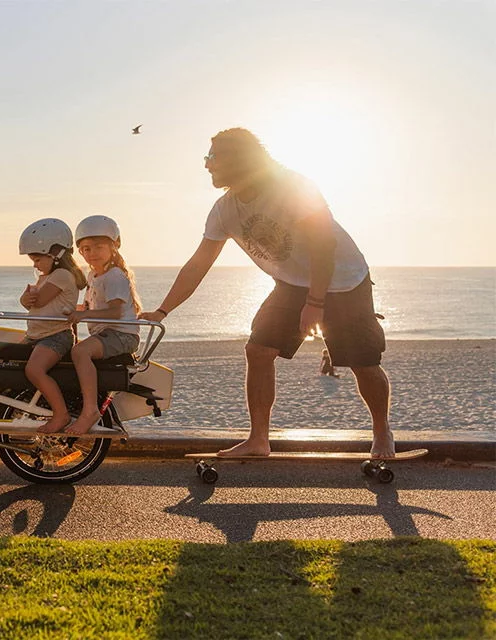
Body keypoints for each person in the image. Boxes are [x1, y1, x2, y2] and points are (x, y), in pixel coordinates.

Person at [139, 128, 394, 458]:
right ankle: (258, 439)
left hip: (343, 280)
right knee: (258, 350)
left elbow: (322, 246)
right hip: (291, 284)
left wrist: (315, 303)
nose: (207, 165)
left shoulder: (292, 187)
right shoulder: (225, 209)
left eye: (212, 157)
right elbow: (200, 262)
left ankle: (381, 430)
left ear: (238, 158)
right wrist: (162, 311)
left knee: (363, 363)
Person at [62, 215, 142, 435]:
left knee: (80, 353)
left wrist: (84, 315)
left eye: (98, 246)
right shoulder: (93, 275)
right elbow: (89, 306)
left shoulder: (115, 276)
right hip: (107, 333)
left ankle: (90, 411)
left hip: (122, 335)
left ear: (114, 246)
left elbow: (115, 312)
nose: (91, 253)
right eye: (86, 249)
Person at [16, 219, 88, 433]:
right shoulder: (48, 276)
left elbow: (39, 301)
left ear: (55, 254)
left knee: (35, 369)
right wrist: (24, 299)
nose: (34, 265)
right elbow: (30, 302)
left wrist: (29, 298)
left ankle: (61, 414)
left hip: (56, 335)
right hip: (37, 335)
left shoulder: (62, 276)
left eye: (37, 259)